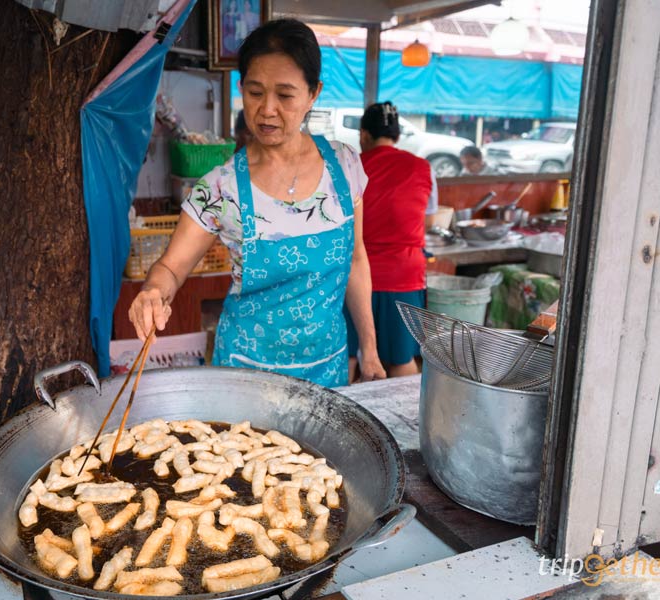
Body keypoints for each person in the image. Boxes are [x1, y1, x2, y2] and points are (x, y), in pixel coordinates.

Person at [129, 19, 386, 387]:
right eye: (254, 92)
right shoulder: (221, 188)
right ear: (241, 89)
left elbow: (356, 259)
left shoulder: (344, 166)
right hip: (245, 373)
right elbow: (171, 268)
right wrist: (153, 292)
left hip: (328, 368)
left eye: (285, 95)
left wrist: (370, 350)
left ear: (314, 93)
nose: (267, 109)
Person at [346, 101, 435, 379]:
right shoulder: (423, 168)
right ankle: (407, 423)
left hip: (353, 277)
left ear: (364, 135)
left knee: (347, 358)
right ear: (396, 136)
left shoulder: (351, 167)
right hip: (404, 277)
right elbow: (429, 220)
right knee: (400, 359)